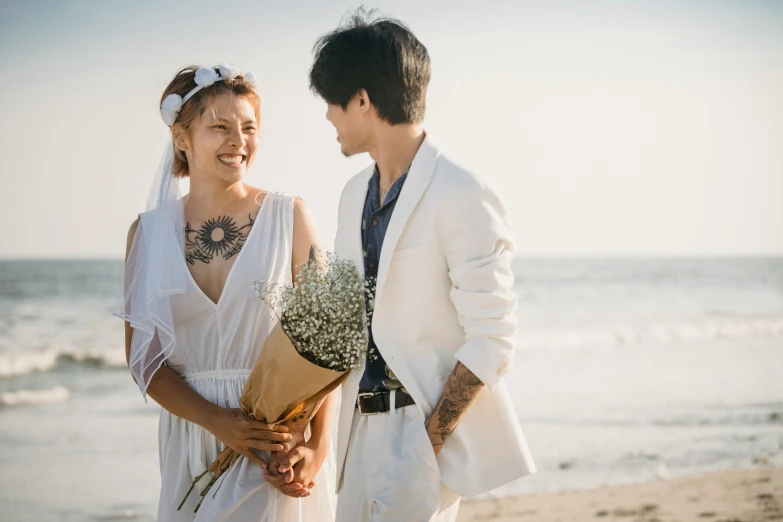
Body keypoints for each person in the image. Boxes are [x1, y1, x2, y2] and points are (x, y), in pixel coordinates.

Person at [309, 11, 537, 521]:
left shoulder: (463, 192)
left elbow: (494, 337)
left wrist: (427, 442)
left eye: (332, 101)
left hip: (416, 433)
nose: (327, 116)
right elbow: (345, 322)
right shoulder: (351, 197)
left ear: (362, 101)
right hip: (354, 438)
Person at [115, 64, 337, 521]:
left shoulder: (289, 217)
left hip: (276, 438)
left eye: (249, 128)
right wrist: (217, 422)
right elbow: (144, 360)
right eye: (220, 127)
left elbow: (328, 343)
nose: (239, 141)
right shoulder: (146, 233)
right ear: (182, 138)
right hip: (191, 434)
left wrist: (315, 444)